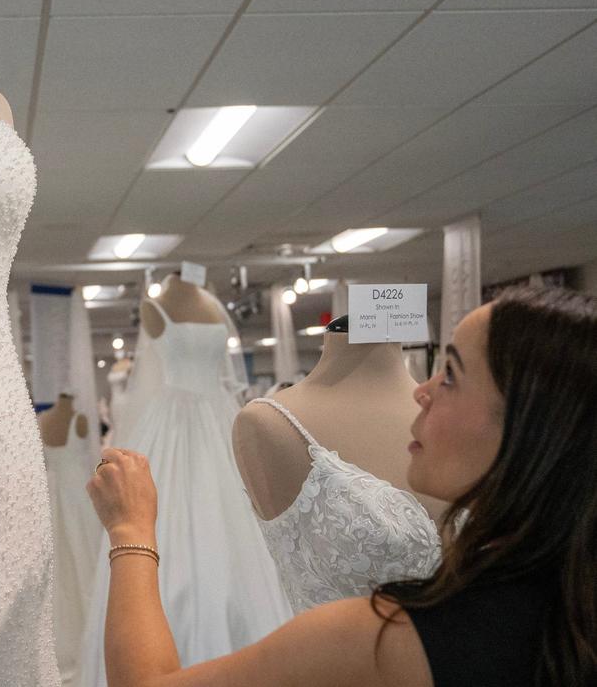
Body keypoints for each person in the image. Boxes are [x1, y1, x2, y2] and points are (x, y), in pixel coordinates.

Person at [86, 286, 597, 686]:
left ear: (531, 426)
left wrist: (131, 530)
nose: (422, 390)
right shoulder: (570, 604)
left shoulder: (387, 639)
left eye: (450, 374)